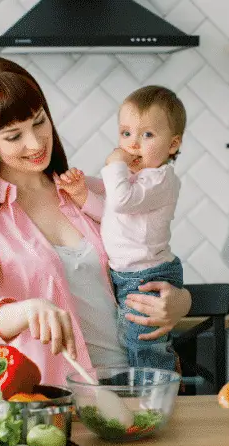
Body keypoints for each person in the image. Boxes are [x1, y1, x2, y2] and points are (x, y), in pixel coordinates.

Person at [0, 58, 192, 387]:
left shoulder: (88, 191)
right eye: (14, 136)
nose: (36, 143)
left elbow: (152, 259)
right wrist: (26, 310)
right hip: (59, 396)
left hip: (140, 382)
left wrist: (180, 303)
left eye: (39, 122)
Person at [54, 86, 185, 372]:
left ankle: (155, 396)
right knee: (133, 342)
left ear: (172, 145)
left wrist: (115, 165)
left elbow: (122, 201)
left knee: (144, 345)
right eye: (126, 133)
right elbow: (112, 216)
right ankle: (147, 394)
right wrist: (80, 196)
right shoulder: (136, 180)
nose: (134, 144)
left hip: (147, 275)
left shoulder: (160, 180)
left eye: (147, 135)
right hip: (127, 275)